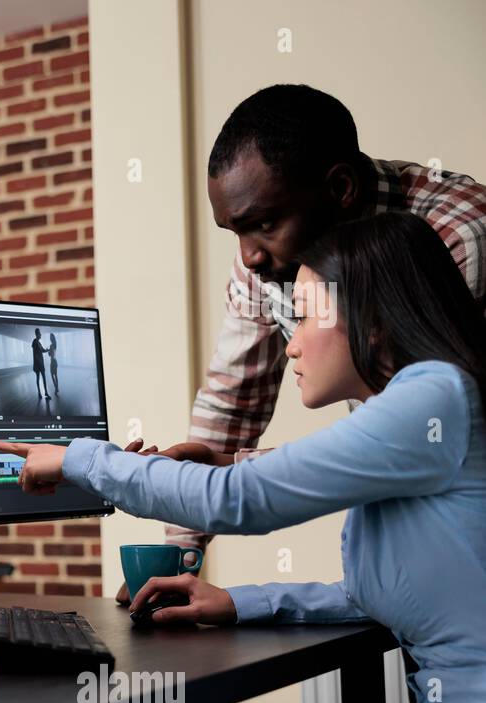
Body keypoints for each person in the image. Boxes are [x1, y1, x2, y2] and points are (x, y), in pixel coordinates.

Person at [0, 213, 486, 703]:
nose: (292, 344)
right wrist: (240, 602)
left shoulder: (436, 396)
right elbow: (380, 594)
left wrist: (82, 459)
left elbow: (240, 503)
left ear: (373, 320)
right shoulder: (438, 412)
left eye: (307, 316)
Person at [114, 84, 486, 604]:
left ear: (340, 189)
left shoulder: (453, 237)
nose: (248, 258)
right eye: (233, 232)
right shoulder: (270, 257)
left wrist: (88, 463)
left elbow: (395, 442)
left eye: (261, 225)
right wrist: (178, 560)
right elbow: (230, 404)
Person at [31, 329, 50, 399]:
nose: (41, 335)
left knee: (42, 378)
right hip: (38, 364)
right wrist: (38, 361)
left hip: (40, 363)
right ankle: (40, 393)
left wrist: (48, 350)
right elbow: (35, 354)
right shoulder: (35, 342)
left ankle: (45, 392)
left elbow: (43, 350)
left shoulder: (39, 342)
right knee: (39, 378)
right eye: (40, 333)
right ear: (37, 334)